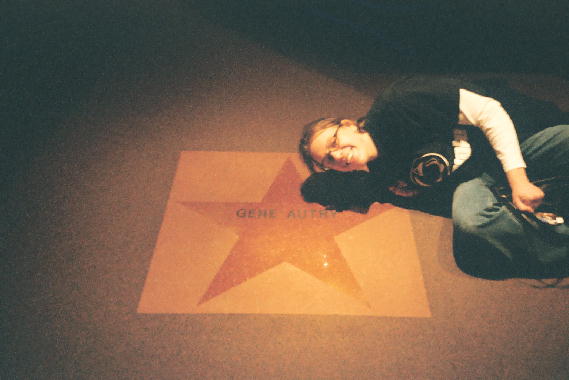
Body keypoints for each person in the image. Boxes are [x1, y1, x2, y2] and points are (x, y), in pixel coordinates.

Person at [298, 76, 569, 279]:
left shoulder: (399, 103)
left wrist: (518, 181)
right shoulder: (389, 182)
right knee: (471, 238)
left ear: (347, 125)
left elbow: (488, 111)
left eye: (334, 141)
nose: (338, 155)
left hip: (520, 144)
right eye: (329, 160)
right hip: (484, 179)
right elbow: (451, 207)